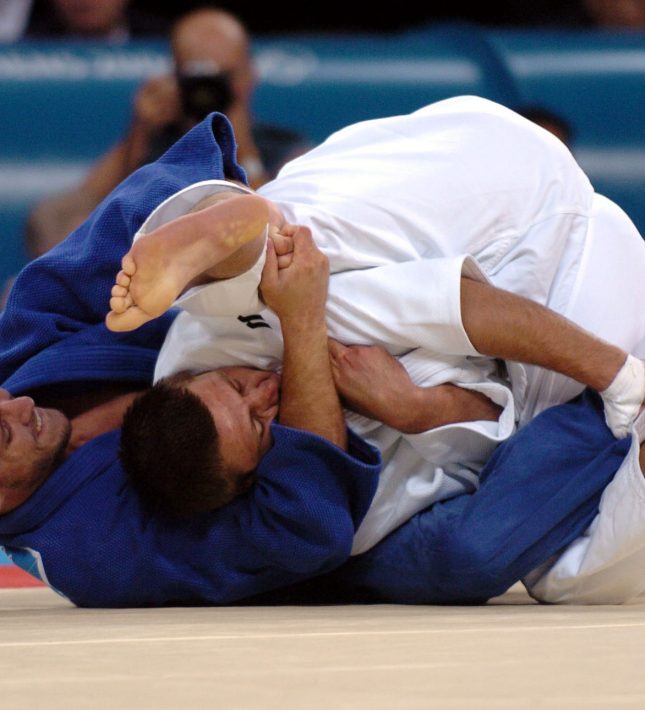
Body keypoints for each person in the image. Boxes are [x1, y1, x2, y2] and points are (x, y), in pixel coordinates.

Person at [0, 97, 640, 607]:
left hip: (464, 190)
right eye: (2, 437)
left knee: (286, 270)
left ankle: (222, 228)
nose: (15, 404)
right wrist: (416, 408)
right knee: (483, 558)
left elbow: (80, 268)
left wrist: (292, 313)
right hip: (325, 539)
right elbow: (303, 529)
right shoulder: (98, 552)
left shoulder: (210, 343)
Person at [24, 6, 308, 259]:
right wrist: (140, 129)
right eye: (199, 77)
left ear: (249, 75)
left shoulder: (284, 149)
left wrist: (240, 146)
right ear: (176, 76)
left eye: (223, 77)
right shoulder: (156, 143)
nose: (210, 89)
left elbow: (280, 236)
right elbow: (86, 219)